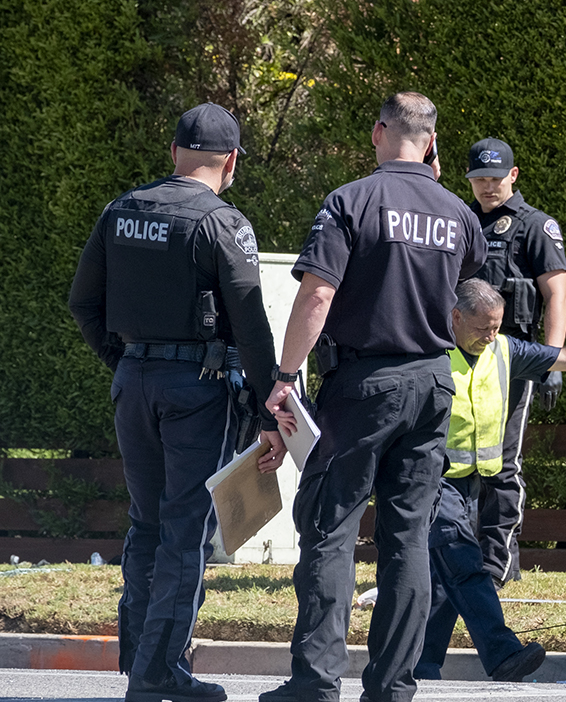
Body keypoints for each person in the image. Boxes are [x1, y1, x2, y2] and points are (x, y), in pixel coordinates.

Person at [259, 92, 485, 702]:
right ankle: (392, 687)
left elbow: (316, 297)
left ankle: (315, 683)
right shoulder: (457, 213)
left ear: (381, 130)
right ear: (432, 141)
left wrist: (284, 377)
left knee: (332, 529)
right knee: (407, 536)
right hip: (434, 382)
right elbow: (466, 285)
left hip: (363, 386)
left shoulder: (351, 200)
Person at [67, 102, 286, 702]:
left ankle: (139, 657)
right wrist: (270, 413)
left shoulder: (121, 211)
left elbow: (83, 304)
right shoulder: (222, 222)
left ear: (173, 154)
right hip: (198, 391)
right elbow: (252, 327)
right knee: (186, 531)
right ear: (232, 161)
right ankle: (160, 669)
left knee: (146, 523)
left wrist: (128, 364)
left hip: (133, 382)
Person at [414, 279, 566, 681]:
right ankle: (503, 654)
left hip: (472, 483)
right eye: (482, 328)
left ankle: (420, 666)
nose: (491, 336)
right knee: (464, 563)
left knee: (446, 579)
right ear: (455, 317)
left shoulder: (505, 350)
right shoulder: (427, 351)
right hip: (431, 479)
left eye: (497, 326)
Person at [465, 137, 566, 586]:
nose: (488, 187)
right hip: (460, 360)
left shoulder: (535, 227)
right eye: (479, 179)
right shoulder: (460, 221)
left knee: (503, 463)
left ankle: (498, 563)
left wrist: (552, 363)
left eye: (495, 177)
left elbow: (556, 296)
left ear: (513, 175)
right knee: (458, 461)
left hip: (512, 360)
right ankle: (463, 559)